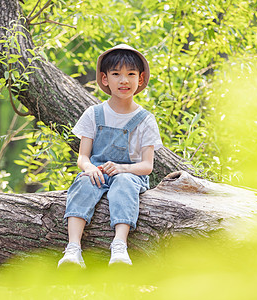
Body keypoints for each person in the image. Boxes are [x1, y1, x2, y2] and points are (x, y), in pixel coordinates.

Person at [57, 44, 163, 268]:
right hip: (99, 172)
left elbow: (147, 165)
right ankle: (73, 248)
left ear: (141, 79)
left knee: (123, 183)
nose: (124, 80)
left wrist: (124, 169)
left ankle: (119, 246)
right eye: (116, 74)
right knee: (84, 183)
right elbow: (83, 158)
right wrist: (89, 169)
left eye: (131, 74)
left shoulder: (145, 119)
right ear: (105, 79)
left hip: (131, 175)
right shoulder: (93, 114)